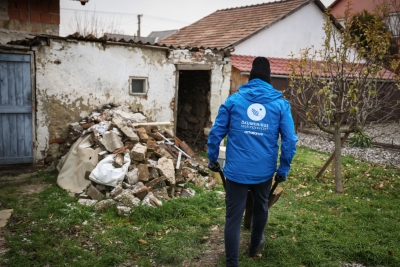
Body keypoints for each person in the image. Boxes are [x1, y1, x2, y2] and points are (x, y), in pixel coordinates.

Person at [207, 57, 298, 267]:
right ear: (269, 77)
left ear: (251, 75)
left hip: (236, 171)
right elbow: (290, 140)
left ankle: (232, 263)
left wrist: (213, 158)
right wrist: (283, 168)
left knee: (233, 218)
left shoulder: (234, 101)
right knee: (261, 207)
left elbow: (215, 134)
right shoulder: (280, 105)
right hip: (264, 171)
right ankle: (255, 243)